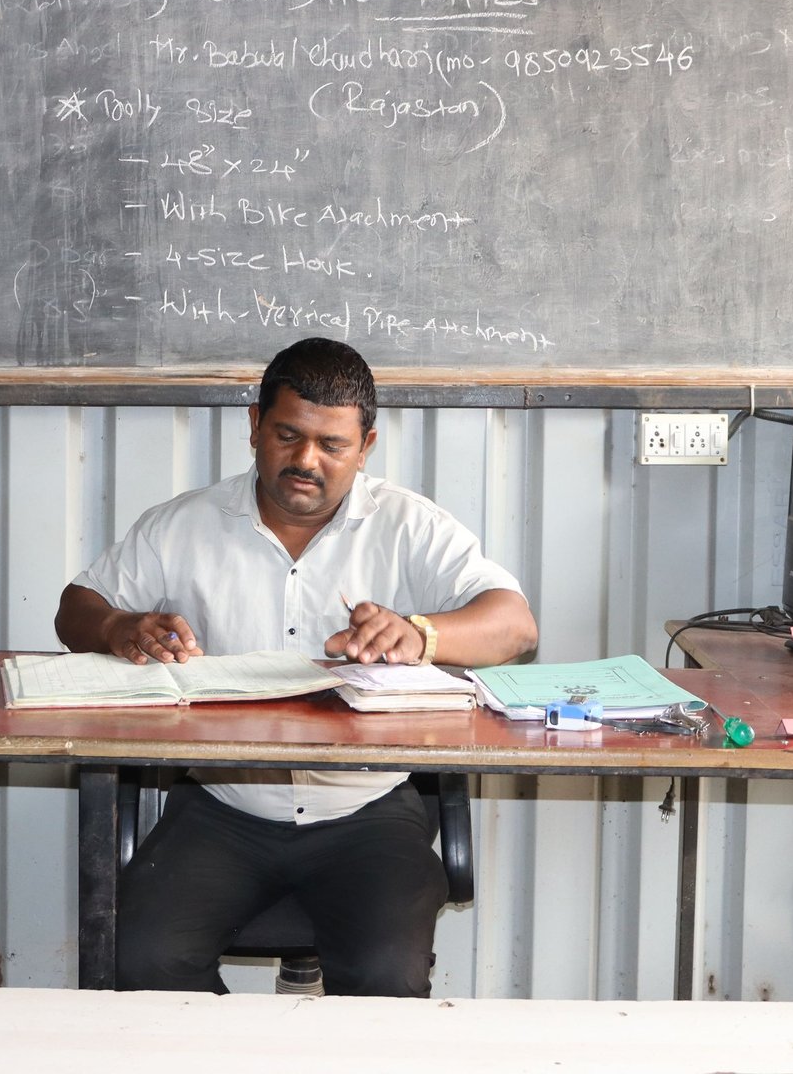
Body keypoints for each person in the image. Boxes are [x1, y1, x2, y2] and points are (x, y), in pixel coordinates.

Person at [55, 336, 538, 997]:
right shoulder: (182, 525)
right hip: (223, 806)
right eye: (287, 435)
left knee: (386, 976)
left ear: (365, 447)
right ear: (255, 426)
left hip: (366, 809)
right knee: (139, 959)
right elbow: (76, 608)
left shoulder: (409, 526)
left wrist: (420, 633)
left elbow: (514, 626)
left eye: (332, 445)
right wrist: (118, 627)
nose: (306, 460)